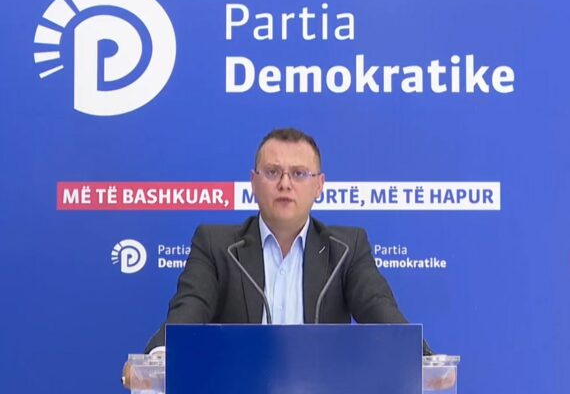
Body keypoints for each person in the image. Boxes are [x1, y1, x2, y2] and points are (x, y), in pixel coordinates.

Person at [123, 128, 430, 388]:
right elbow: (189, 309)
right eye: (272, 172)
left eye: (299, 173)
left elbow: (380, 309)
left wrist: (425, 363)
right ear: (254, 182)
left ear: (319, 185)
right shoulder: (216, 245)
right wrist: (156, 360)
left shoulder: (346, 249)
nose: (285, 183)